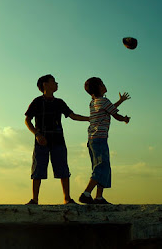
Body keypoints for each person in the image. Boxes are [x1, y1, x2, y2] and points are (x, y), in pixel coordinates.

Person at [25, 74, 89, 205]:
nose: (56, 84)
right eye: (53, 82)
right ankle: (34, 199)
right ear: (45, 84)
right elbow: (27, 120)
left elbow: (73, 116)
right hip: (41, 140)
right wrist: (37, 134)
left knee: (63, 169)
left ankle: (67, 198)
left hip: (58, 139)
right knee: (38, 169)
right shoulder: (37, 102)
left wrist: (89, 118)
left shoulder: (59, 102)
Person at [79, 77, 130, 205]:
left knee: (101, 167)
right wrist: (124, 119)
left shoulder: (94, 102)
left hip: (92, 140)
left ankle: (99, 198)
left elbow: (110, 108)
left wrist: (120, 101)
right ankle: (86, 193)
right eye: (102, 84)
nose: (104, 85)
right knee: (102, 167)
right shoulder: (104, 101)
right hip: (100, 139)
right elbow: (115, 114)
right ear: (98, 88)